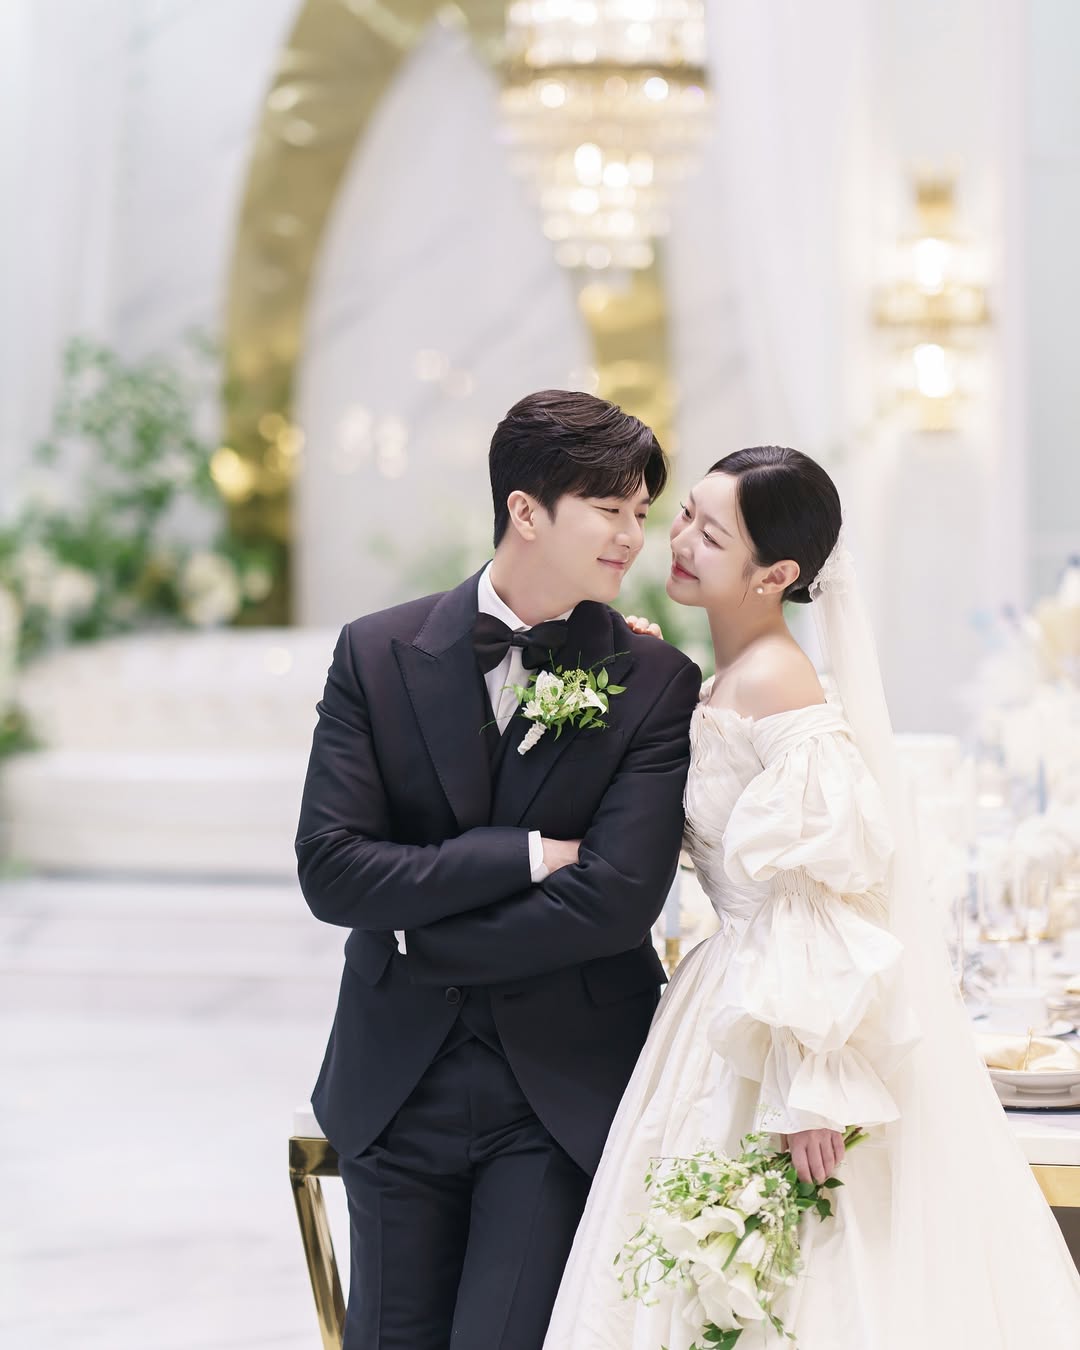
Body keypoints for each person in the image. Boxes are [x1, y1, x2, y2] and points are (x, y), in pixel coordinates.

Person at [544, 445, 1080, 1349]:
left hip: (776, 1015)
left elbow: (819, 897)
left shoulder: (777, 683)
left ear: (777, 575)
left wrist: (809, 1086)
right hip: (727, 989)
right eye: (688, 515)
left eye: (712, 535)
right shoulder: (726, 674)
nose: (678, 539)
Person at [295, 390, 700, 1349]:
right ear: (526, 510)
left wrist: (419, 935)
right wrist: (522, 857)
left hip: (558, 1091)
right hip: (396, 1082)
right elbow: (332, 869)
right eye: (609, 509)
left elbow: (615, 901)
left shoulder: (653, 681)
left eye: (641, 512)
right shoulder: (377, 652)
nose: (632, 537)